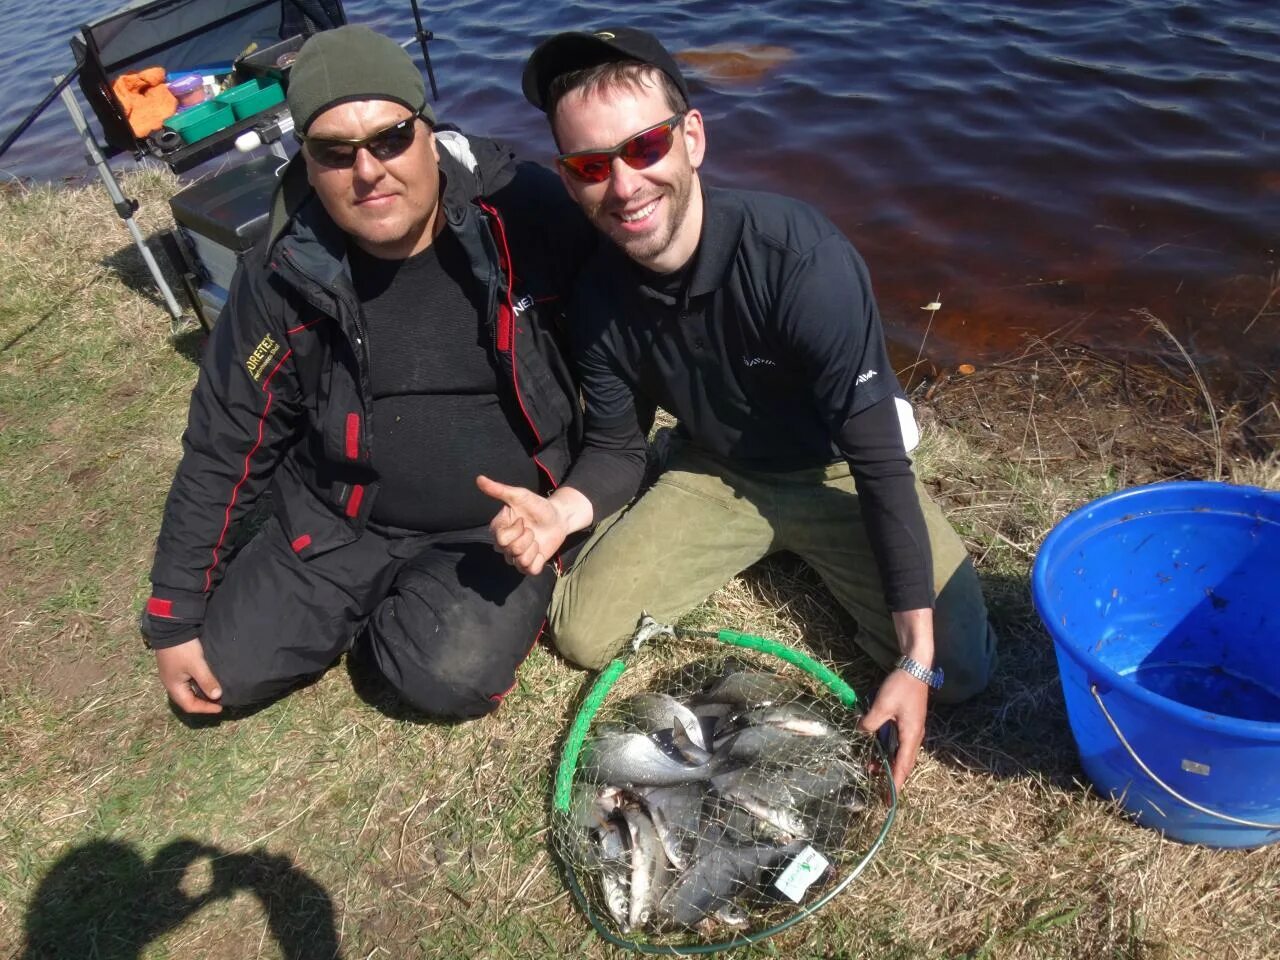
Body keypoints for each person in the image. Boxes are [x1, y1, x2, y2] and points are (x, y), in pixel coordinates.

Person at [480, 27, 997, 788]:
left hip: (836, 470)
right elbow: (619, 446)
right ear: (569, 179)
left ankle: (840, 574)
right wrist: (562, 512)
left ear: (691, 138)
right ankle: (730, 527)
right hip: (715, 469)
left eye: (645, 147)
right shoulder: (595, 297)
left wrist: (916, 658)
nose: (623, 186)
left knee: (962, 669)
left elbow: (881, 462)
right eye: (592, 165)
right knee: (582, 630)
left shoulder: (799, 259)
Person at [140, 25, 602, 719]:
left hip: (496, 526)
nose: (368, 170)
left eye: (390, 138)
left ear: (426, 130)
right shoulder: (281, 267)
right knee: (221, 677)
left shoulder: (524, 210)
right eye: (335, 152)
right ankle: (348, 595)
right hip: (341, 516)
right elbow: (226, 437)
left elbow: (631, 334)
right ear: (306, 161)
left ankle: (411, 610)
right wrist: (174, 613)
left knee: (447, 679)